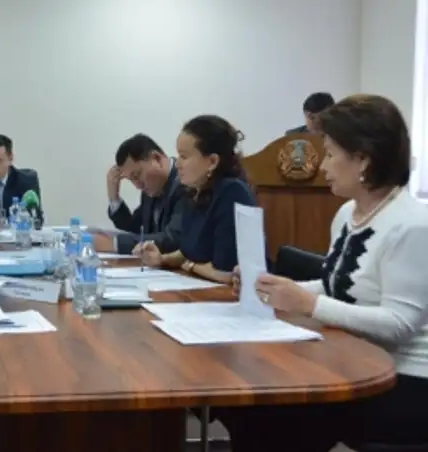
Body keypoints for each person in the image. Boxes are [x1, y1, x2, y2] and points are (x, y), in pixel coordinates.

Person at [220, 95, 428, 451]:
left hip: (405, 379)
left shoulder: (413, 225)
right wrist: (274, 287)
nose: (323, 166)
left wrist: (306, 303)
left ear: (363, 159)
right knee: (251, 404)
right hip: (356, 361)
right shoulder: (348, 214)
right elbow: (336, 285)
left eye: (330, 154)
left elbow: (398, 324)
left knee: (273, 414)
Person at [136, 115, 255, 284]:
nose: (177, 164)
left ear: (212, 161)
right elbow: (190, 251)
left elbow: (226, 273)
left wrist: (190, 265)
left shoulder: (233, 193)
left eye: (184, 156)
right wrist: (161, 259)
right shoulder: (194, 192)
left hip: (234, 294)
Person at [98, 133, 187, 254]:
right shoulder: (150, 190)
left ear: (157, 158)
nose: (137, 185)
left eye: (137, 175)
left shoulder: (185, 184)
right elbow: (133, 229)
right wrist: (114, 197)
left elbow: (173, 239)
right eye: (131, 180)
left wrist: (114, 243)